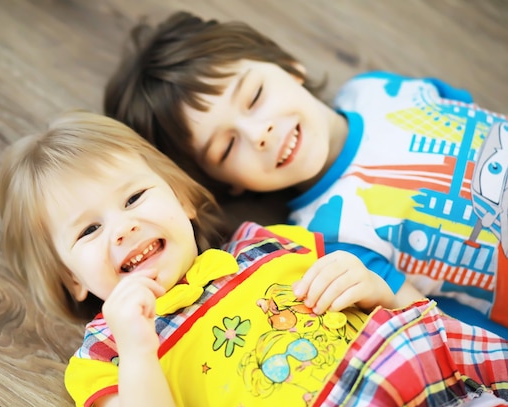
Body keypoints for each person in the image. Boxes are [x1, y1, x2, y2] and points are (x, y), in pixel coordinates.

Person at [0, 110, 508, 407]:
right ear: (71, 277)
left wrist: (377, 290)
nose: (122, 228)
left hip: (428, 385)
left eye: (134, 198)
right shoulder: (105, 356)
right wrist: (137, 348)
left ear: (182, 200)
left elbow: (415, 311)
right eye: (89, 231)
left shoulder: (269, 246)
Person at [103, 10, 508, 337]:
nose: (258, 133)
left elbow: (476, 119)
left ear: (289, 66)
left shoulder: (377, 90)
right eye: (226, 147)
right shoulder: (327, 239)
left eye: (254, 96)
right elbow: (443, 324)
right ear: (229, 184)